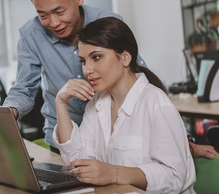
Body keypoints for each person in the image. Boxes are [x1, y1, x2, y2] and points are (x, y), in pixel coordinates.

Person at [3, 0, 219, 159]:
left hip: (111, 137)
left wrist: (183, 141)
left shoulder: (107, 22)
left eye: (59, 12)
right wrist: (3, 118)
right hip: (64, 139)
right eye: (43, 15)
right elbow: (23, 89)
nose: (54, 22)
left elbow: (141, 80)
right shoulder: (31, 35)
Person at [53, 17, 196, 193]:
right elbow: (77, 160)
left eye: (96, 57)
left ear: (125, 58)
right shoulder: (97, 103)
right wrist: (60, 102)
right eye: (83, 61)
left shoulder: (156, 103)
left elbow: (174, 177)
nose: (87, 70)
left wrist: (113, 173)